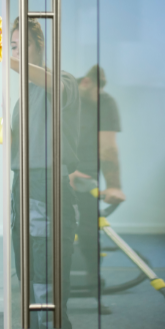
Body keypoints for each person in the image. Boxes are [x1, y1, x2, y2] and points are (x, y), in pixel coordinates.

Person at [9, 17, 80, 329]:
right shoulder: (23, 97)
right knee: (30, 282)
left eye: (22, 47)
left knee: (46, 283)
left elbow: (51, 83)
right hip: (23, 189)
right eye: (12, 46)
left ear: (39, 48)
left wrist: (5, 59)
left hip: (46, 189)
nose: (16, 53)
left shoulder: (61, 81)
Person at [69, 66, 124, 296]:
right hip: (61, 170)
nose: (97, 97)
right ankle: (46, 284)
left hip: (88, 174)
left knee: (91, 229)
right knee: (53, 227)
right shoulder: (67, 94)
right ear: (85, 83)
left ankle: (93, 282)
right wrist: (66, 170)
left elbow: (108, 147)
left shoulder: (106, 102)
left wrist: (114, 186)